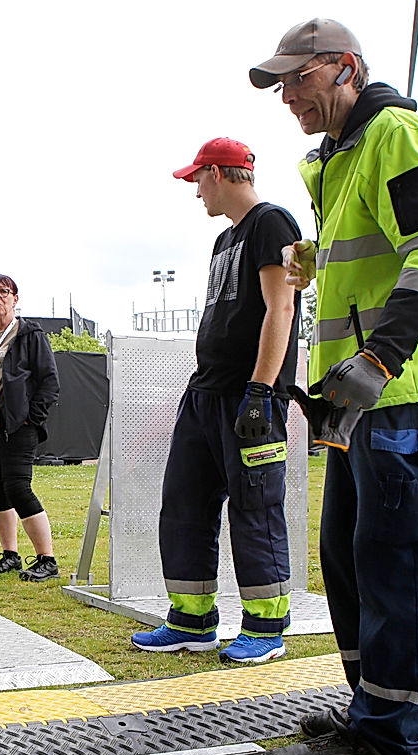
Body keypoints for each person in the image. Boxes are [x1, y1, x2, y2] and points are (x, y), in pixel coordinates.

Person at [248, 19, 418, 755]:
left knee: (395, 558)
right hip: (355, 397)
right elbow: (365, 259)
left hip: (398, 388)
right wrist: (314, 263)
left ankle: (386, 741)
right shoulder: (337, 163)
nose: (286, 97)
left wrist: (382, 354)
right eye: (279, 85)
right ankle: (401, 711)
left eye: (298, 79)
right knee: (348, 555)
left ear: (344, 68)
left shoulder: (396, 135)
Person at [130, 139, 299, 665]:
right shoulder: (224, 240)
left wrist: (261, 389)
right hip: (204, 394)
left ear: (221, 175)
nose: (195, 191)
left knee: (255, 509)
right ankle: (191, 622)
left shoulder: (274, 225)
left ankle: (266, 629)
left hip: (248, 398)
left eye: (197, 179)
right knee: (183, 507)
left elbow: (282, 307)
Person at [0, 274, 61, 582]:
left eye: (3, 292)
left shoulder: (29, 334)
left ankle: (47, 559)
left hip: (18, 426)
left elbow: (49, 381)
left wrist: (30, 417)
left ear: (15, 298)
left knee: (18, 487)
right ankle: (10, 555)